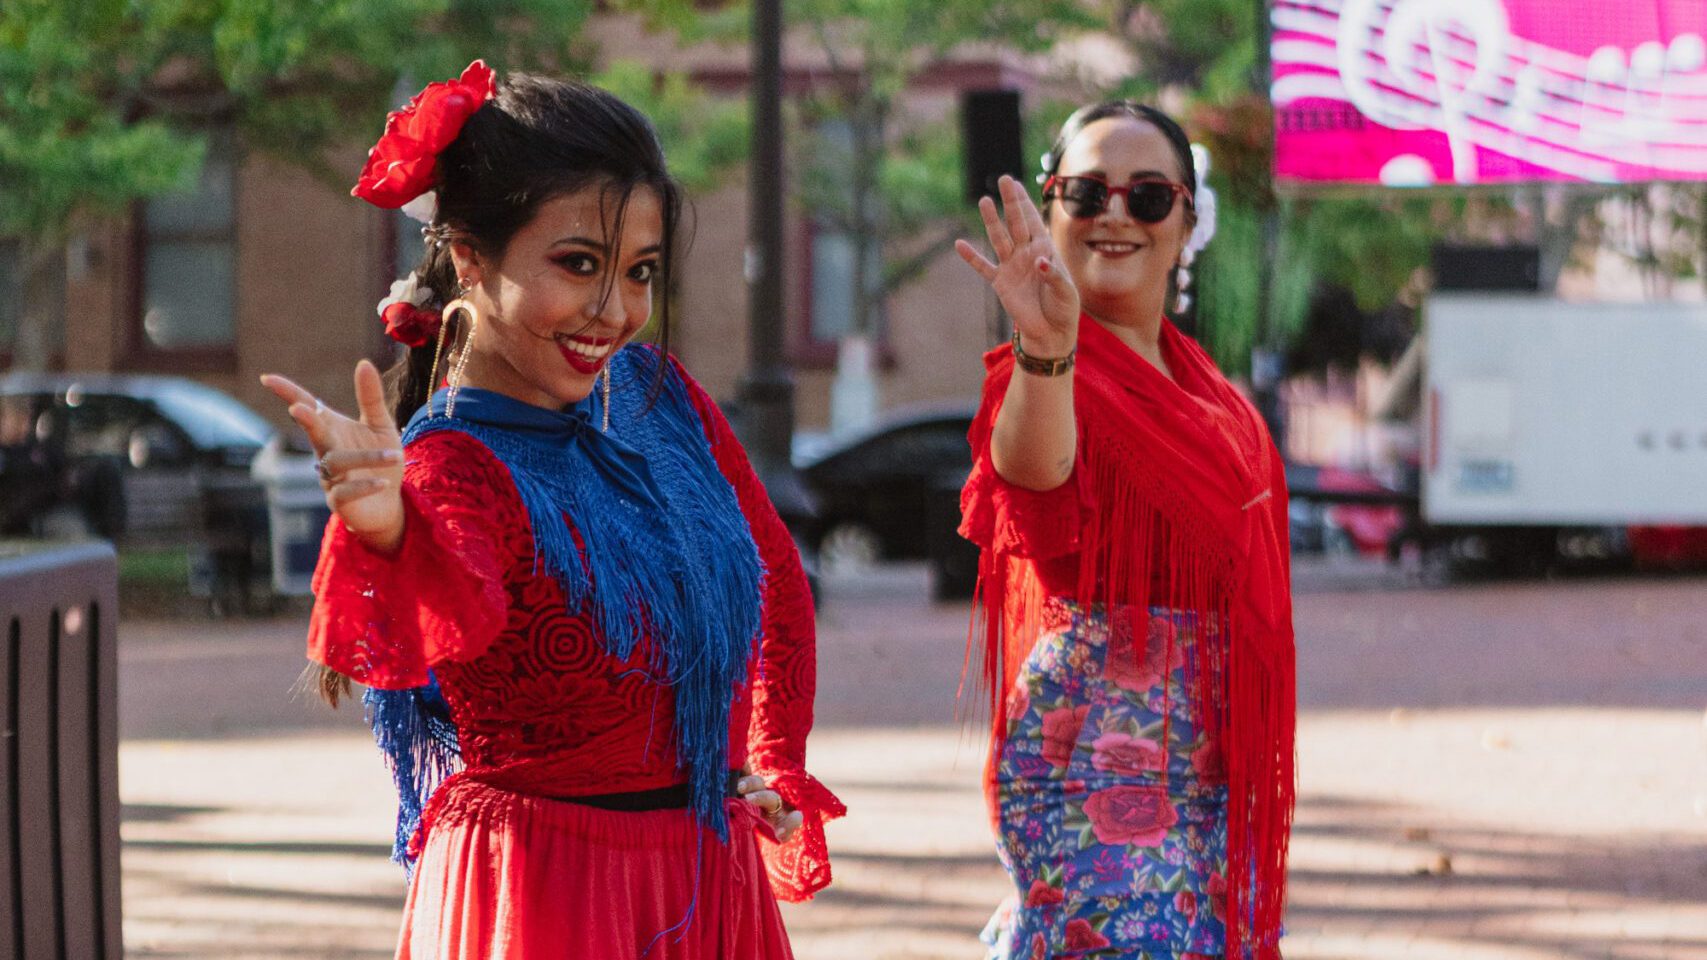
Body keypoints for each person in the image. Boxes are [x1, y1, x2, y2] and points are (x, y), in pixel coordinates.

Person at [260, 61, 843, 959]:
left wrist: (754, 761)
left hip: (706, 876)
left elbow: (768, 577)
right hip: (545, 890)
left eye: (640, 272)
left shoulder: (654, 392)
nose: (613, 312)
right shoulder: (451, 461)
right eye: (578, 265)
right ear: (469, 257)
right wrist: (384, 530)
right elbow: (447, 607)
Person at [953, 101, 1295, 960]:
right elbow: (1032, 476)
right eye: (1085, 192)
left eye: (1146, 197)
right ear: (1049, 207)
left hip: (1214, 767)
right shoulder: (1045, 372)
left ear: (1186, 221)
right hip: (1096, 758)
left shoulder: (1208, 390)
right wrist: (1045, 348)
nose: (1114, 213)